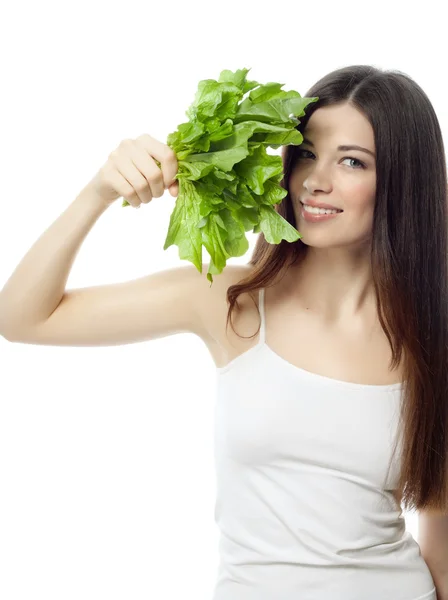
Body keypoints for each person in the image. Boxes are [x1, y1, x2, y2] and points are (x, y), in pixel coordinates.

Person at [0, 64, 447, 600]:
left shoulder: (433, 338)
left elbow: (440, 548)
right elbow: (23, 318)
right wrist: (98, 192)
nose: (314, 180)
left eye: (352, 161)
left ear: (402, 182)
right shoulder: (231, 303)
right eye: (305, 153)